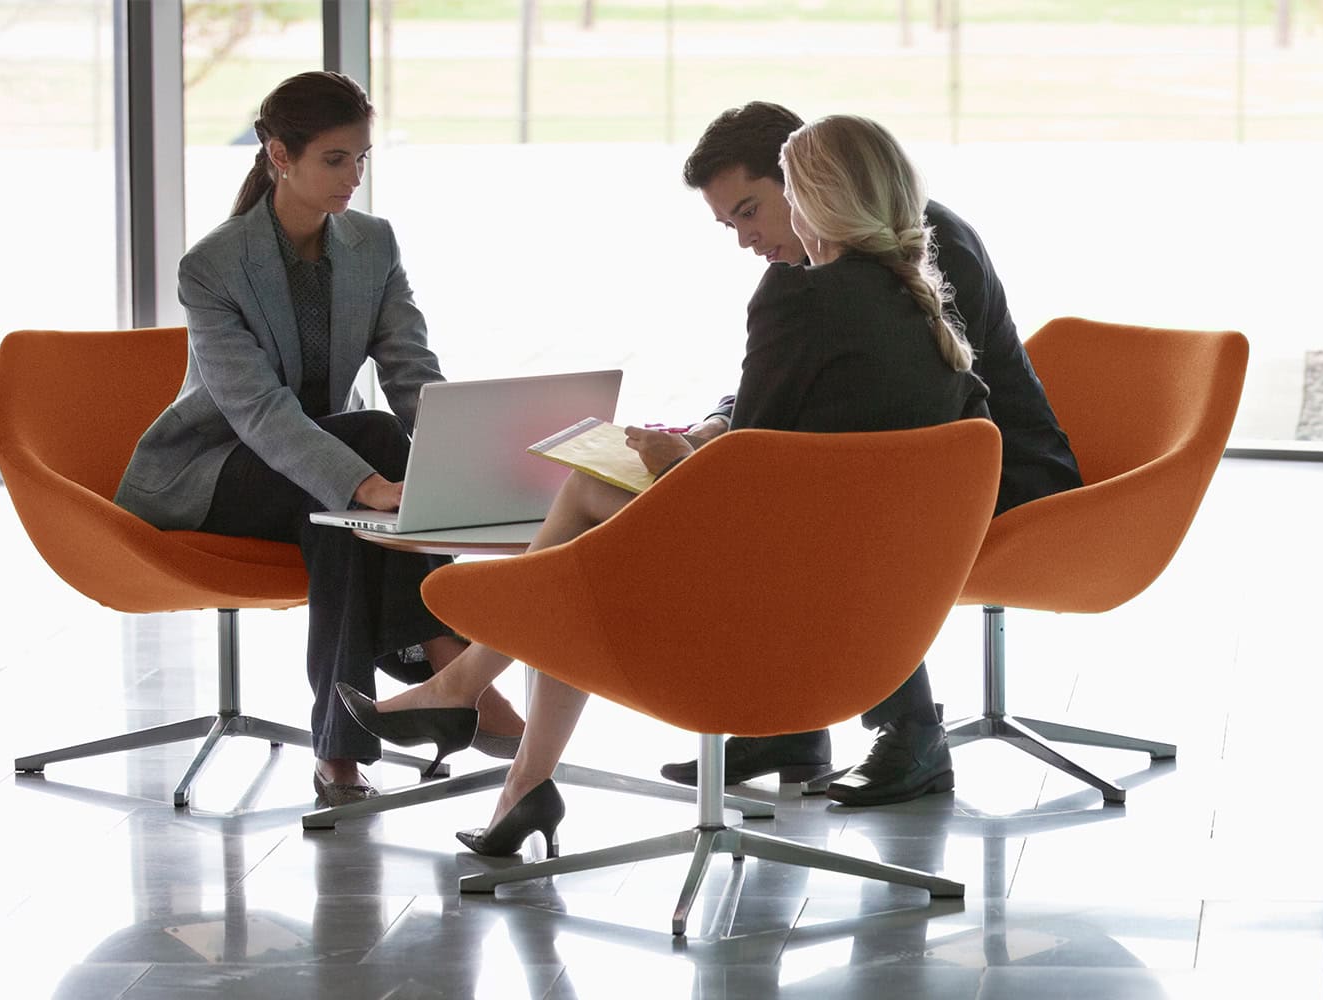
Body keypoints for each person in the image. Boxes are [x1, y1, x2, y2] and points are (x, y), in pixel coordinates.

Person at [337, 113, 991, 856]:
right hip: (869, 611)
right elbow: (800, 458)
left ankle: (460, 693)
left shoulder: (799, 297)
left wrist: (674, 459)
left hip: (766, 600)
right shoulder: (929, 315)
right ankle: (519, 780)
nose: (756, 232)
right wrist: (694, 450)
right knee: (581, 544)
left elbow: (745, 475)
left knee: (581, 514)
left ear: (811, 199)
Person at [636, 101, 1084, 807]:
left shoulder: (920, 250)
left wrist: (732, 442)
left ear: (804, 178)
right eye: (731, 225)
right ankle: (791, 721)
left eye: (752, 211)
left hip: (1000, 474)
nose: (747, 239)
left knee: (824, 500)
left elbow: (899, 410)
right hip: (926, 468)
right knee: (812, 486)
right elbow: (795, 383)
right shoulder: (835, 268)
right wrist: (715, 426)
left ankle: (905, 731)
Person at [112, 71, 524, 808]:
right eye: (335, 159)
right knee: (358, 451)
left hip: (309, 476)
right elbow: (260, 411)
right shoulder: (213, 266)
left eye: (361, 158)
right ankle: (446, 658)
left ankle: (342, 749)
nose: (353, 178)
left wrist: (462, 459)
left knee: (336, 514)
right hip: (216, 471)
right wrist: (365, 482)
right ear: (279, 154)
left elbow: (410, 367)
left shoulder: (371, 244)